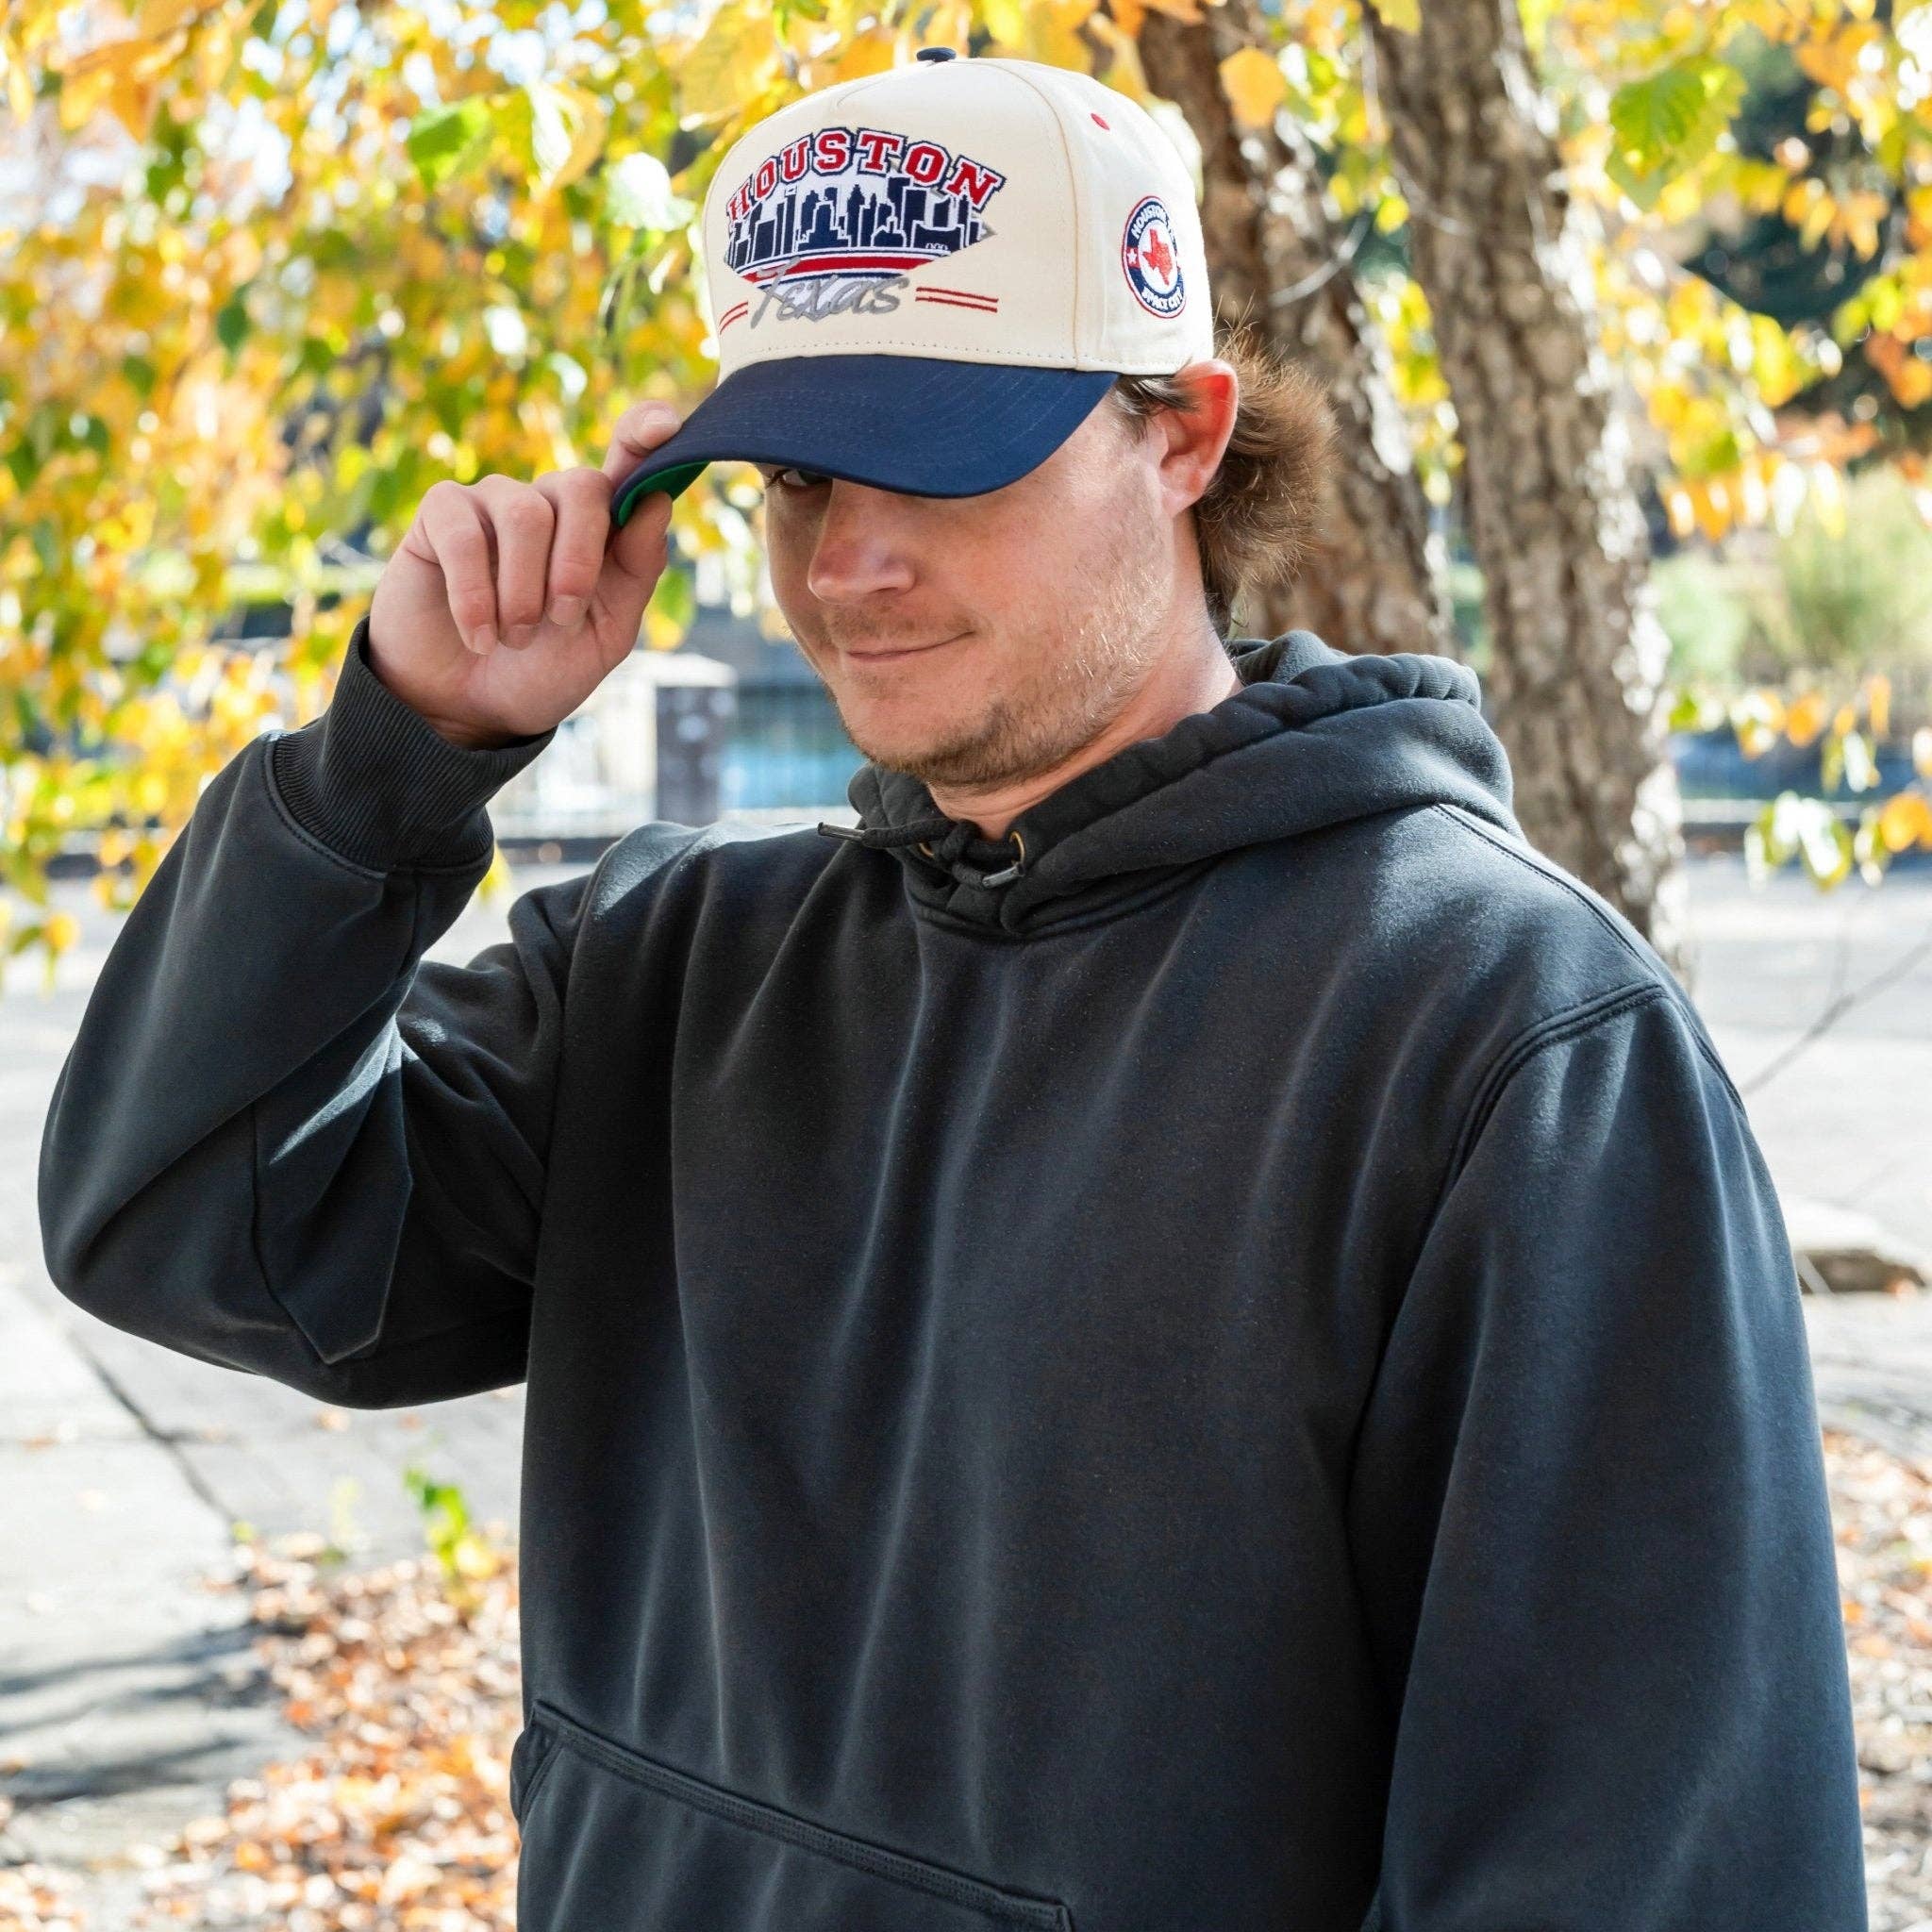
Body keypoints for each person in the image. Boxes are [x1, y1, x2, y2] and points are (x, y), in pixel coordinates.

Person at [39, 48, 1867, 1932]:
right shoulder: (677, 968)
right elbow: (183, 1223)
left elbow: (1647, 1875)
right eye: (800, 474)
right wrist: (389, 760)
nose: (852, 560)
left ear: (1179, 432)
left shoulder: (1507, 1038)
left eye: (944, 457)